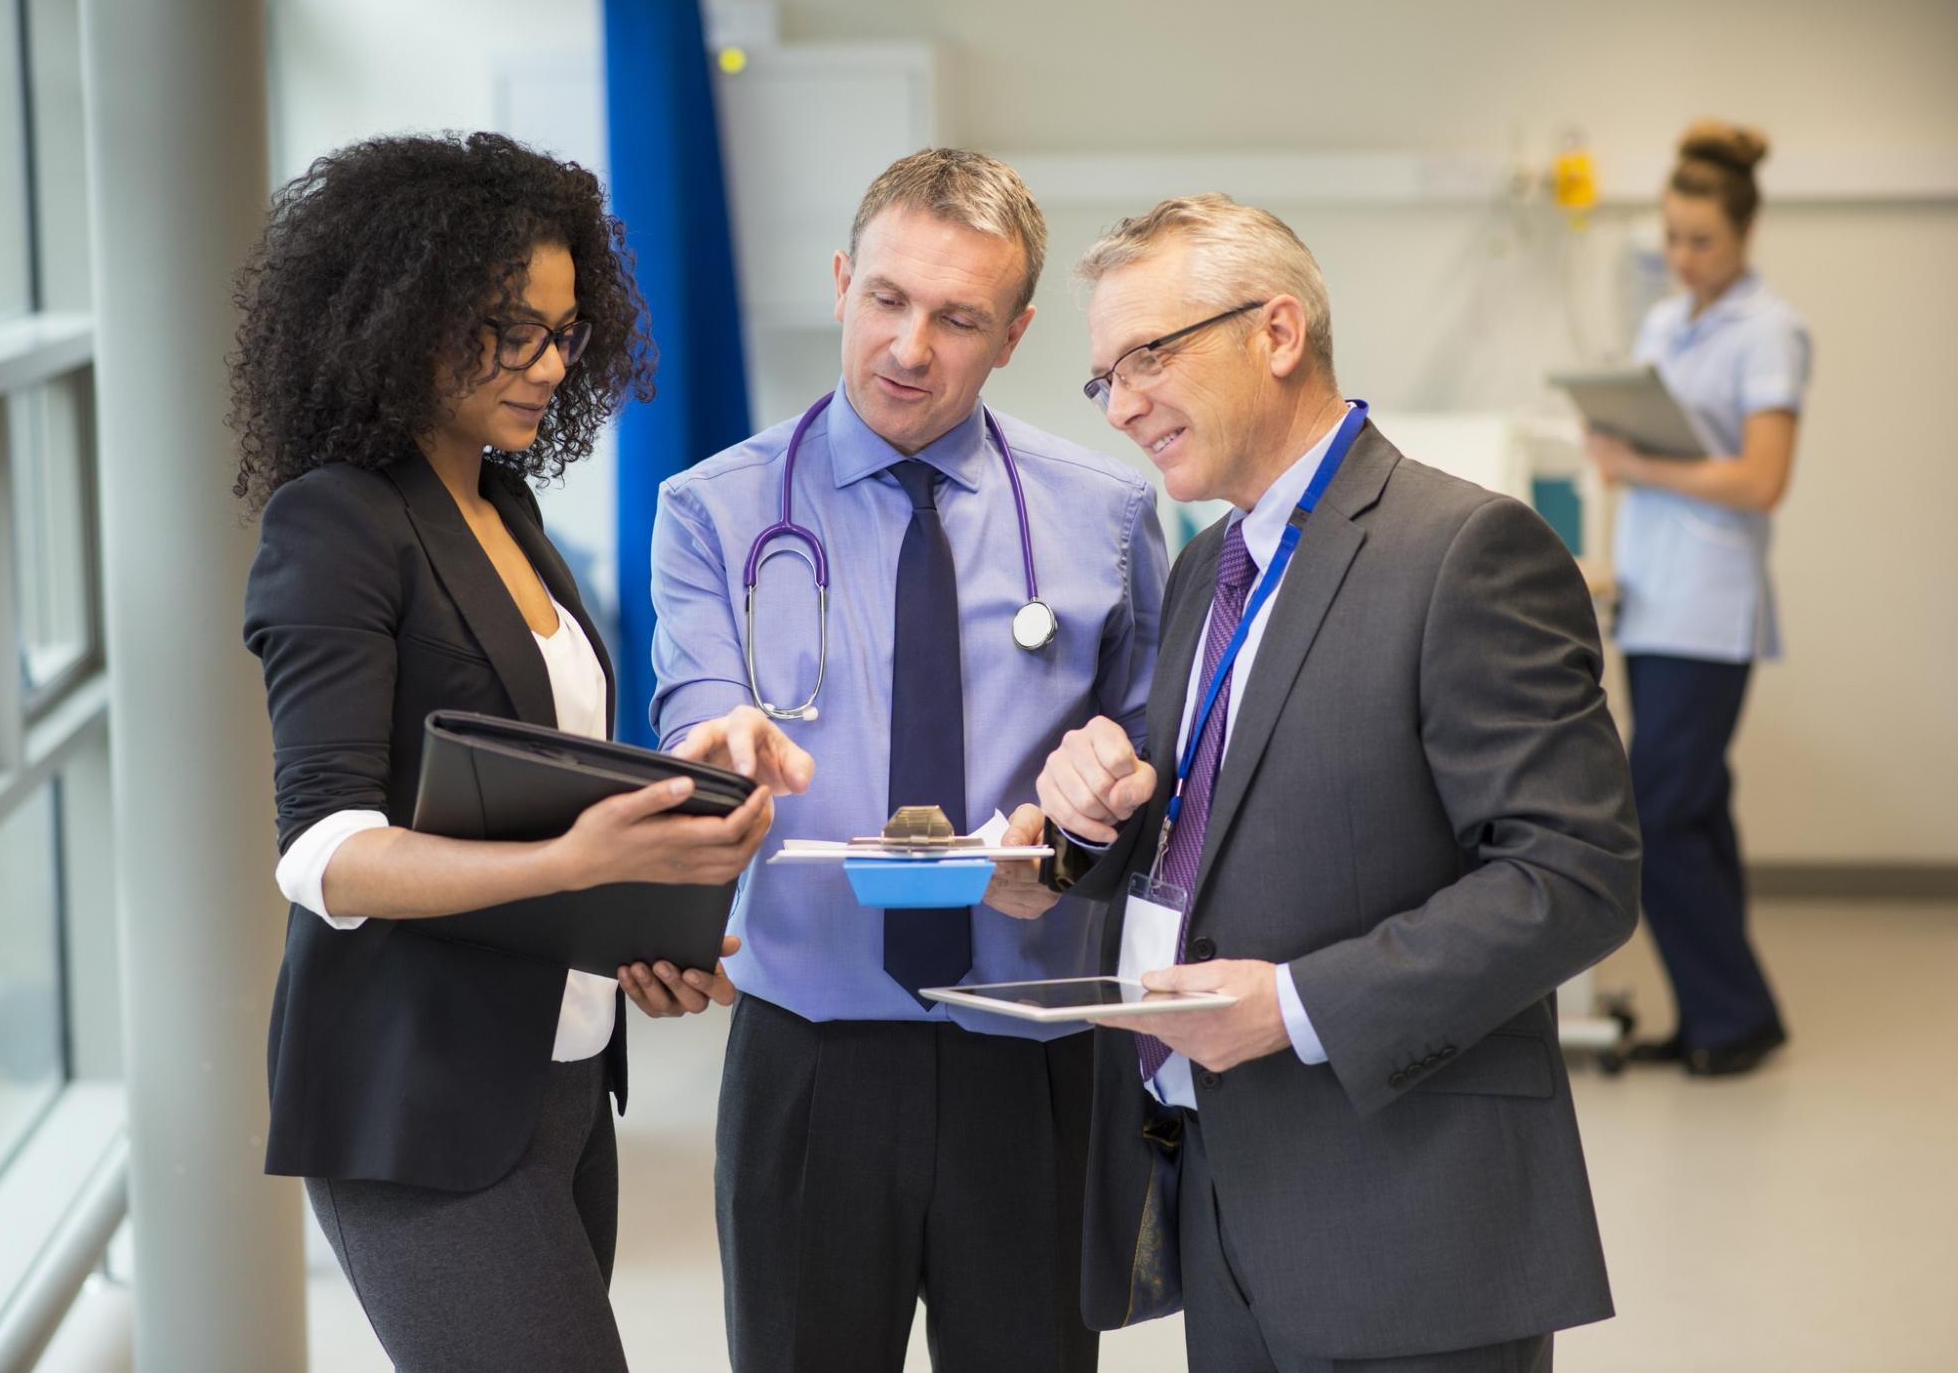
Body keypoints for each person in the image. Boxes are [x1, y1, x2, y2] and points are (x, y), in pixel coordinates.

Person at [1003, 194, 1642, 1372]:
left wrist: (1291, 1008)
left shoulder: (1464, 553)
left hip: (1402, 1223)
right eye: (1103, 379)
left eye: (1146, 356)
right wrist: (1090, 825)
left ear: (1277, 332)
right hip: (1227, 1199)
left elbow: (1573, 877)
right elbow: (1218, 823)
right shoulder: (1211, 563)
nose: (1122, 403)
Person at [235, 132, 809, 1371]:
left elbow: (531, 790)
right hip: (418, 1103)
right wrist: (575, 865)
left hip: (557, 1085)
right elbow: (326, 854)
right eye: (510, 328)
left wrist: (634, 932)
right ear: (398, 315)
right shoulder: (334, 520)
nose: (548, 363)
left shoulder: (505, 508)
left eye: (563, 331)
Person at [647, 148, 1166, 1373]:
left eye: (958, 318)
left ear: (1016, 333)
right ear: (840, 281)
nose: (909, 347)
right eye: (885, 298)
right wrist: (713, 751)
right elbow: (697, 708)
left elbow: (1156, 767)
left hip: (1029, 1053)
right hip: (810, 1054)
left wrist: (1081, 846)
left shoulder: (1108, 514)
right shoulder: (713, 511)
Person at [1584, 121, 1808, 1077]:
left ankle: (1730, 1010)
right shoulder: (1663, 323)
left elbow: (1762, 479)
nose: (1683, 257)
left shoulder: (1772, 330)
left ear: (1745, 233)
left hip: (1711, 610)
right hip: (1654, 598)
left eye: (1702, 240)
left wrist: (1641, 462)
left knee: (1659, 815)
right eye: (1673, 237)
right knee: (1698, 812)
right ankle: (1731, 1014)